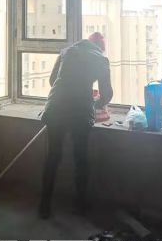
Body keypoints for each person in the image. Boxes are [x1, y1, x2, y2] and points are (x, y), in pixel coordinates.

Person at [39, 31, 113, 218]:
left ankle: (44, 206)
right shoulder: (101, 60)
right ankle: (80, 205)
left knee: (53, 156)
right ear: (100, 48)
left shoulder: (67, 51)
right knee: (81, 158)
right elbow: (106, 94)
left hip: (55, 107)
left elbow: (52, 80)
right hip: (79, 112)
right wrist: (94, 101)